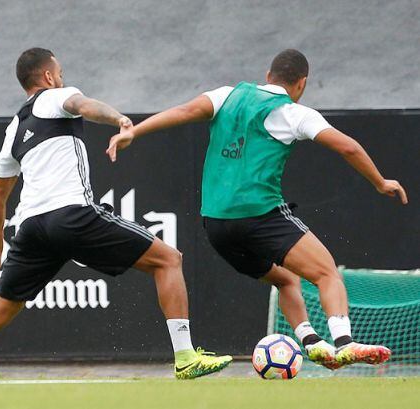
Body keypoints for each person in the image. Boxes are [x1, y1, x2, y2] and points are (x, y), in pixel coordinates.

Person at [0, 48, 232, 381]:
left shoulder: (13, 130)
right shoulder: (57, 96)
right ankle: (185, 357)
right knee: (168, 259)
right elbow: (84, 105)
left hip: (31, 228)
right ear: (48, 77)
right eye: (59, 73)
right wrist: (118, 118)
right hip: (70, 215)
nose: (62, 79)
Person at [106, 49, 407, 369]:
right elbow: (347, 146)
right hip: (259, 216)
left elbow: (184, 110)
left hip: (217, 225)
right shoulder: (295, 113)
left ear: (267, 75)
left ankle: (311, 341)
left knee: (287, 280)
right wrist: (379, 181)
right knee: (326, 273)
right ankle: (344, 342)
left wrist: (134, 131)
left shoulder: (227, 95)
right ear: (302, 83)